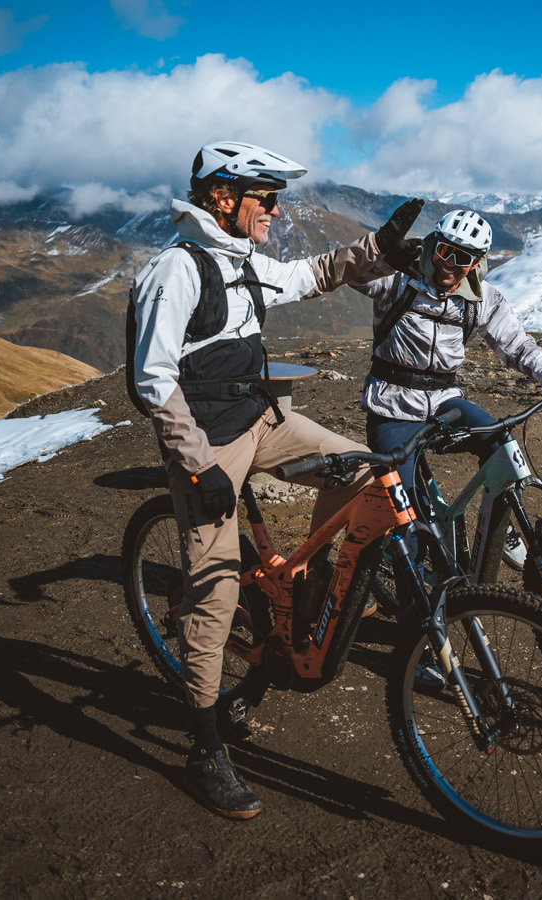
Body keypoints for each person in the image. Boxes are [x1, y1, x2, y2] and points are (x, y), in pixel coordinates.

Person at [128, 140, 422, 819]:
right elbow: (151, 378)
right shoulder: (176, 269)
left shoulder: (240, 259)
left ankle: (305, 612)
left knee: (365, 469)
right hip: (207, 439)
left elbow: (309, 275)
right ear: (223, 198)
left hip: (263, 418)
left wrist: (376, 247)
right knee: (213, 589)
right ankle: (204, 749)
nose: (277, 210)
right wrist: (196, 464)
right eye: (266, 198)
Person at [353, 210, 542, 559]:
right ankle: (410, 599)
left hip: (444, 401)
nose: (449, 264)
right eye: (444, 251)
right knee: (407, 521)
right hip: (392, 405)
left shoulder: (484, 299)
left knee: (501, 445)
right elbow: (349, 272)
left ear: (477, 262)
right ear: (432, 244)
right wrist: (382, 253)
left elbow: (518, 346)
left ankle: (498, 527)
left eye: (463, 258)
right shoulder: (397, 280)